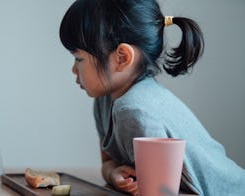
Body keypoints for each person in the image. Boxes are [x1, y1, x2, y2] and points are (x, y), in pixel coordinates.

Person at [59, 0, 245, 195]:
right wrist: (114, 173)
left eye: (78, 58)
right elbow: (107, 162)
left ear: (122, 58)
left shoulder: (135, 110)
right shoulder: (104, 101)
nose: (73, 69)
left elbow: (161, 192)